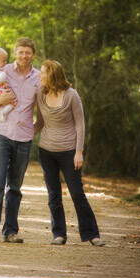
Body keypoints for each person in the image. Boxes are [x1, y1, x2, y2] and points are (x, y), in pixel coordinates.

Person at [34, 59, 105, 246]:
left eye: (43, 72)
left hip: (69, 151)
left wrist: (79, 151)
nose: (39, 75)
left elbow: (80, 124)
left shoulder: (71, 95)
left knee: (77, 193)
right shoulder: (40, 94)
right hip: (46, 151)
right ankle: (59, 234)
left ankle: (92, 235)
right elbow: (40, 122)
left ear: (52, 75)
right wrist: (22, 134)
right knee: (53, 194)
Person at [0, 37, 40, 243]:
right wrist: (0, 100)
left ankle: (10, 232)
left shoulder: (38, 77)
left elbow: (44, 108)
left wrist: (34, 129)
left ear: (33, 55)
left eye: (28, 52)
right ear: (15, 53)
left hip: (24, 137)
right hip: (0, 133)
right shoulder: (1, 70)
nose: (24, 56)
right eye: (20, 52)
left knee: (15, 186)